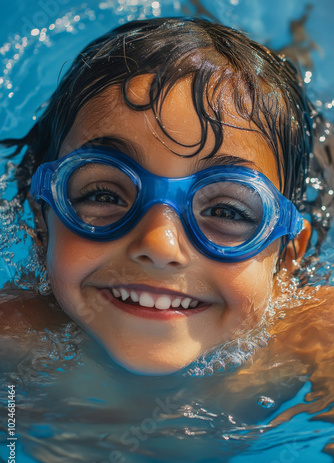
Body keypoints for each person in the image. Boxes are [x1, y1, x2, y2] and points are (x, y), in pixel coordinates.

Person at [0, 17, 333, 379]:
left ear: (287, 260)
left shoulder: (310, 341)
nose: (159, 245)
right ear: (42, 221)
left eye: (225, 210)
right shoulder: (14, 340)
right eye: (104, 194)